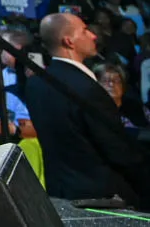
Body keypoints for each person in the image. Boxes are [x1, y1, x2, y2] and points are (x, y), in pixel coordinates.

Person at [29, 12, 150, 204]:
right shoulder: (86, 88)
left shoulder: (36, 84)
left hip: (59, 194)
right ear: (69, 41)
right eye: (85, 31)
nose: (93, 35)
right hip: (102, 198)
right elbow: (115, 148)